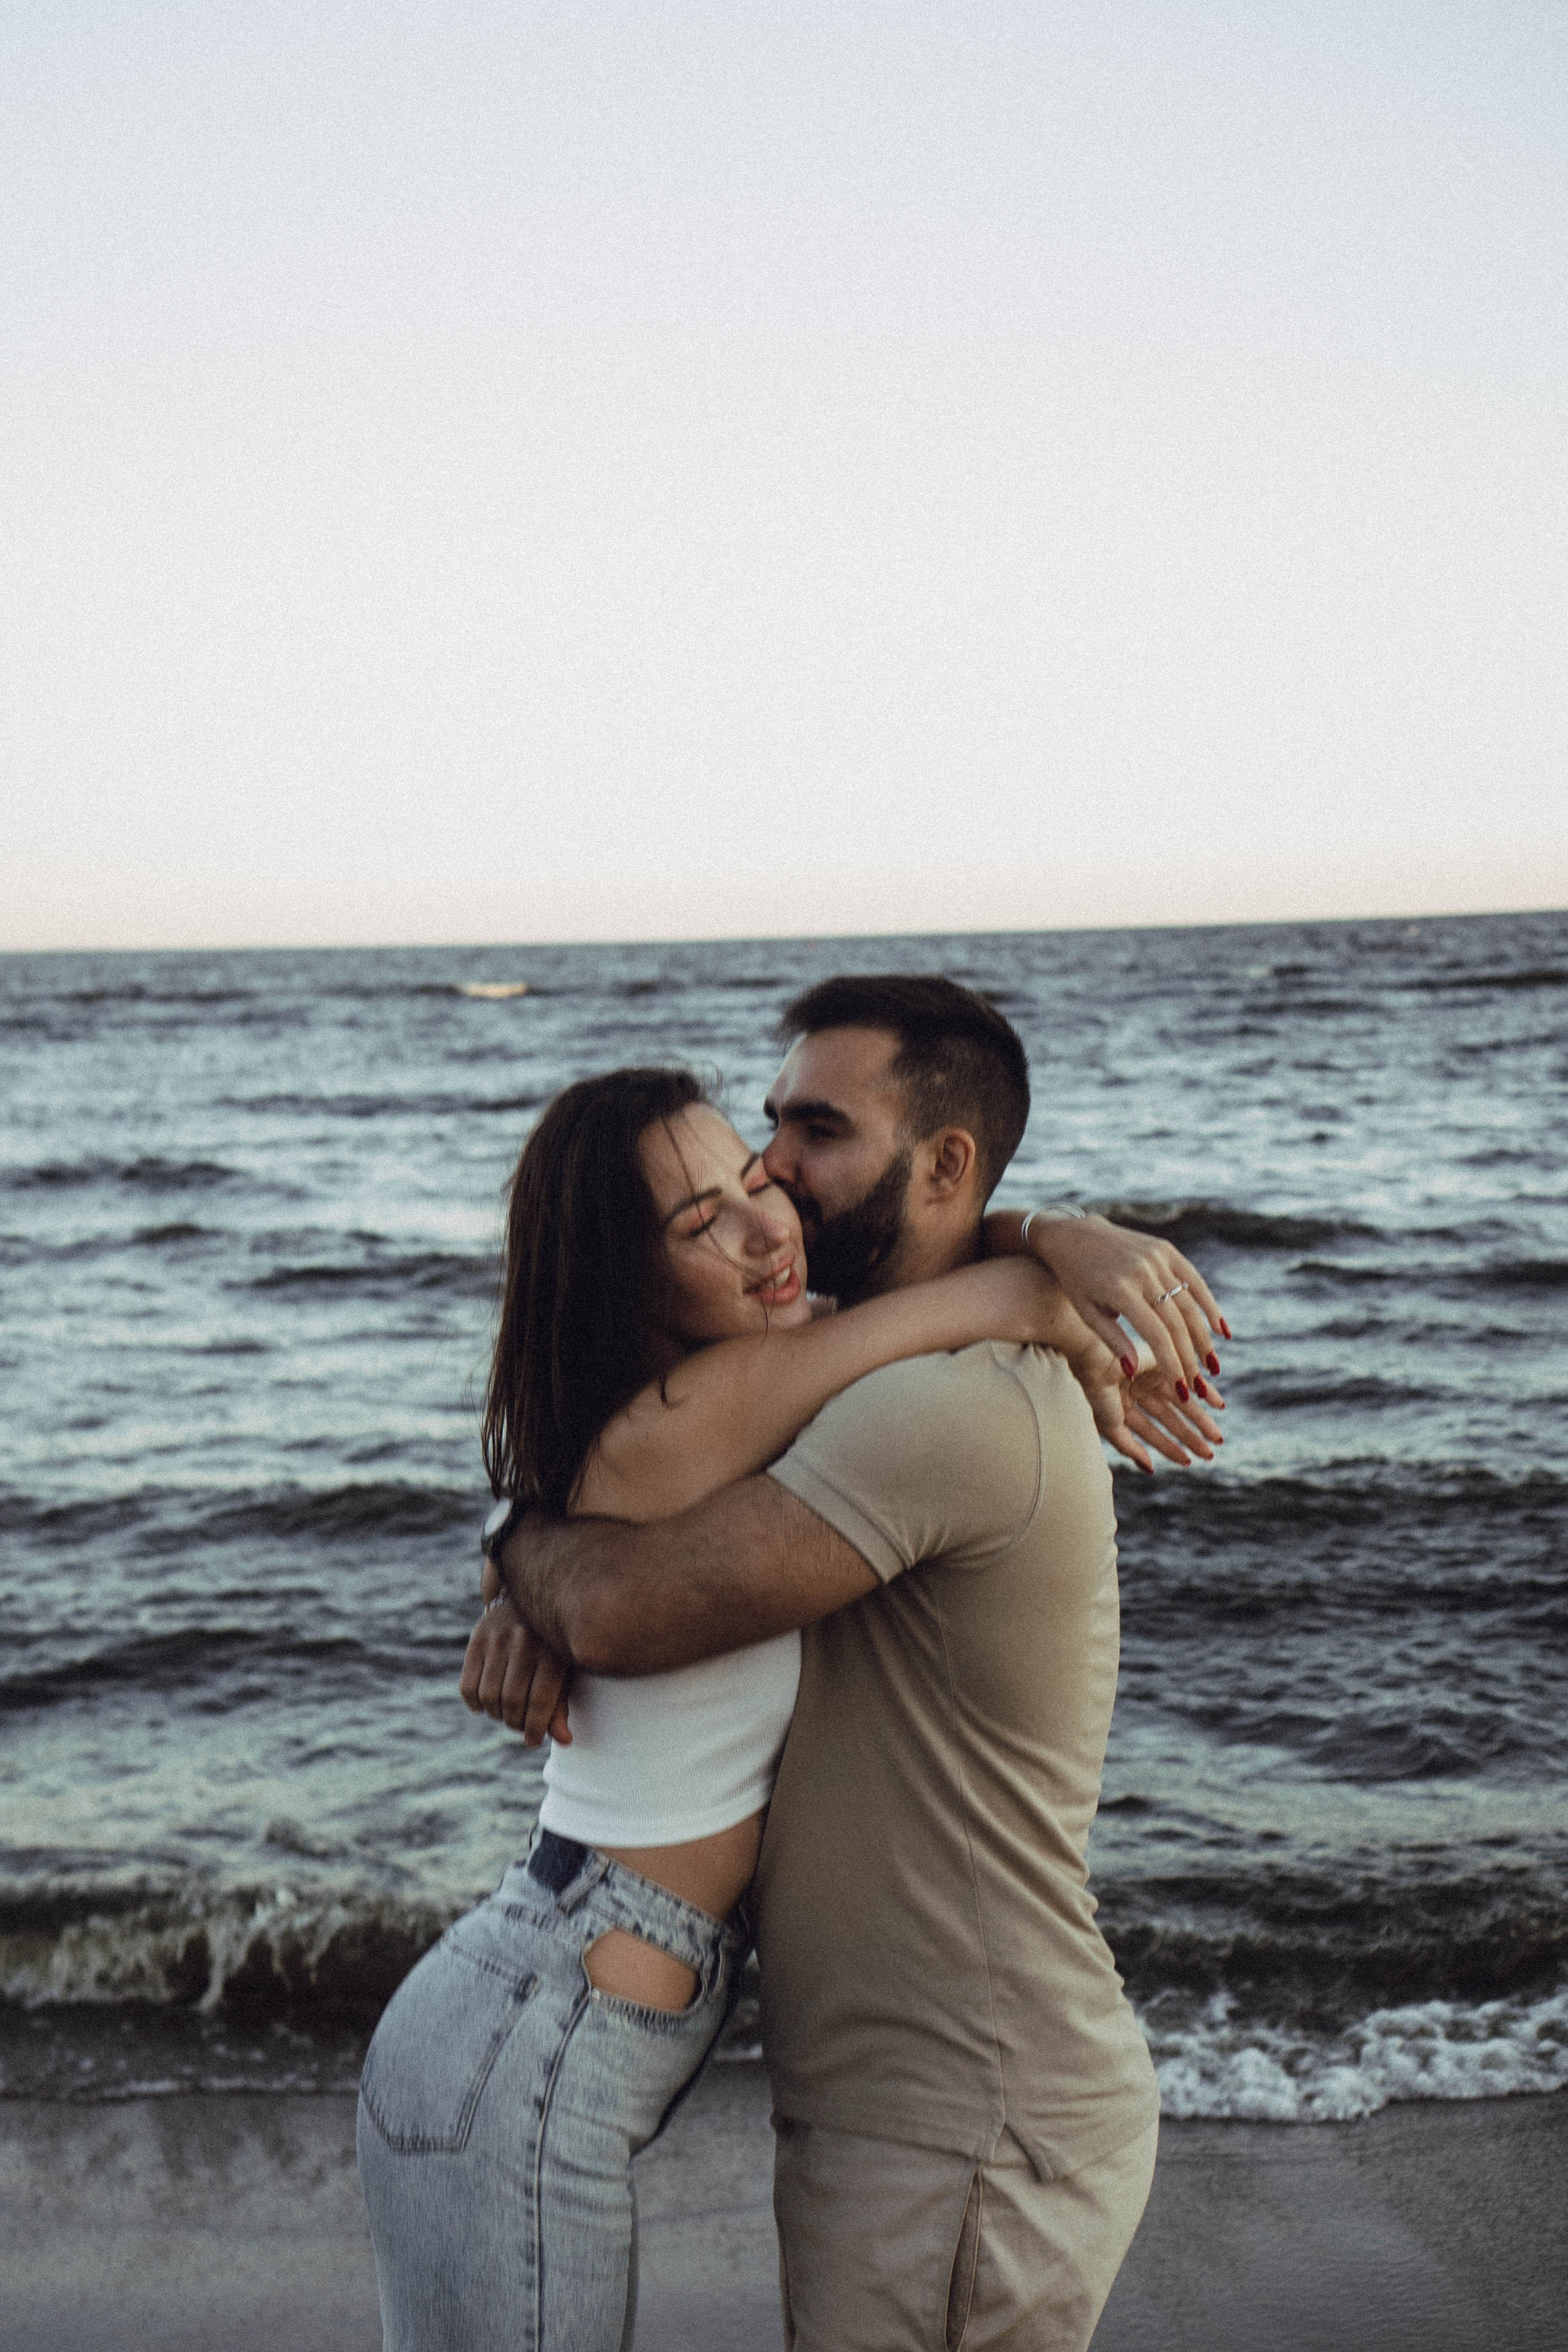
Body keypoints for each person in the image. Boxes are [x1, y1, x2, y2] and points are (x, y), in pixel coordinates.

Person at [357, 1057, 1219, 2352]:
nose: (767, 1229)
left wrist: (1055, 1240)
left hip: (540, 2018)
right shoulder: (690, 1413)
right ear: (623, 1279)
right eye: (699, 1222)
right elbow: (966, 1298)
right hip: (523, 2041)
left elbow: (910, 1266)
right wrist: (1066, 1264)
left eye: (756, 1181)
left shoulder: (753, 1372)